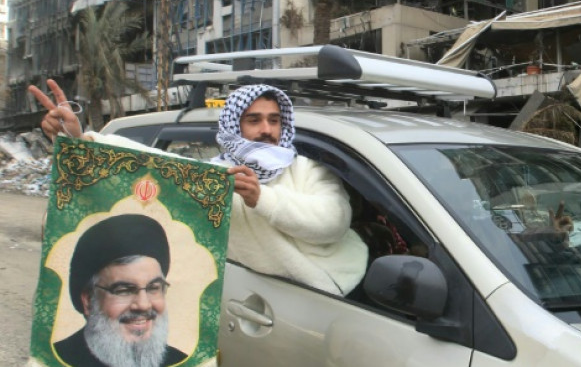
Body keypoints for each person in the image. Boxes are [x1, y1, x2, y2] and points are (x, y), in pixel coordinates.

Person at [28, 80, 368, 296]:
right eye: (254, 120)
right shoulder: (215, 179)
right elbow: (149, 161)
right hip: (266, 304)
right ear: (236, 125)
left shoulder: (307, 169)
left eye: (274, 120)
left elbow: (331, 222)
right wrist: (80, 138)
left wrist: (261, 197)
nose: (267, 129)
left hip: (337, 290)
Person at [53, 214, 187, 367]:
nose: (143, 305)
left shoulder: (183, 363)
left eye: (154, 288)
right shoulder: (54, 360)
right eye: (124, 290)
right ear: (89, 300)